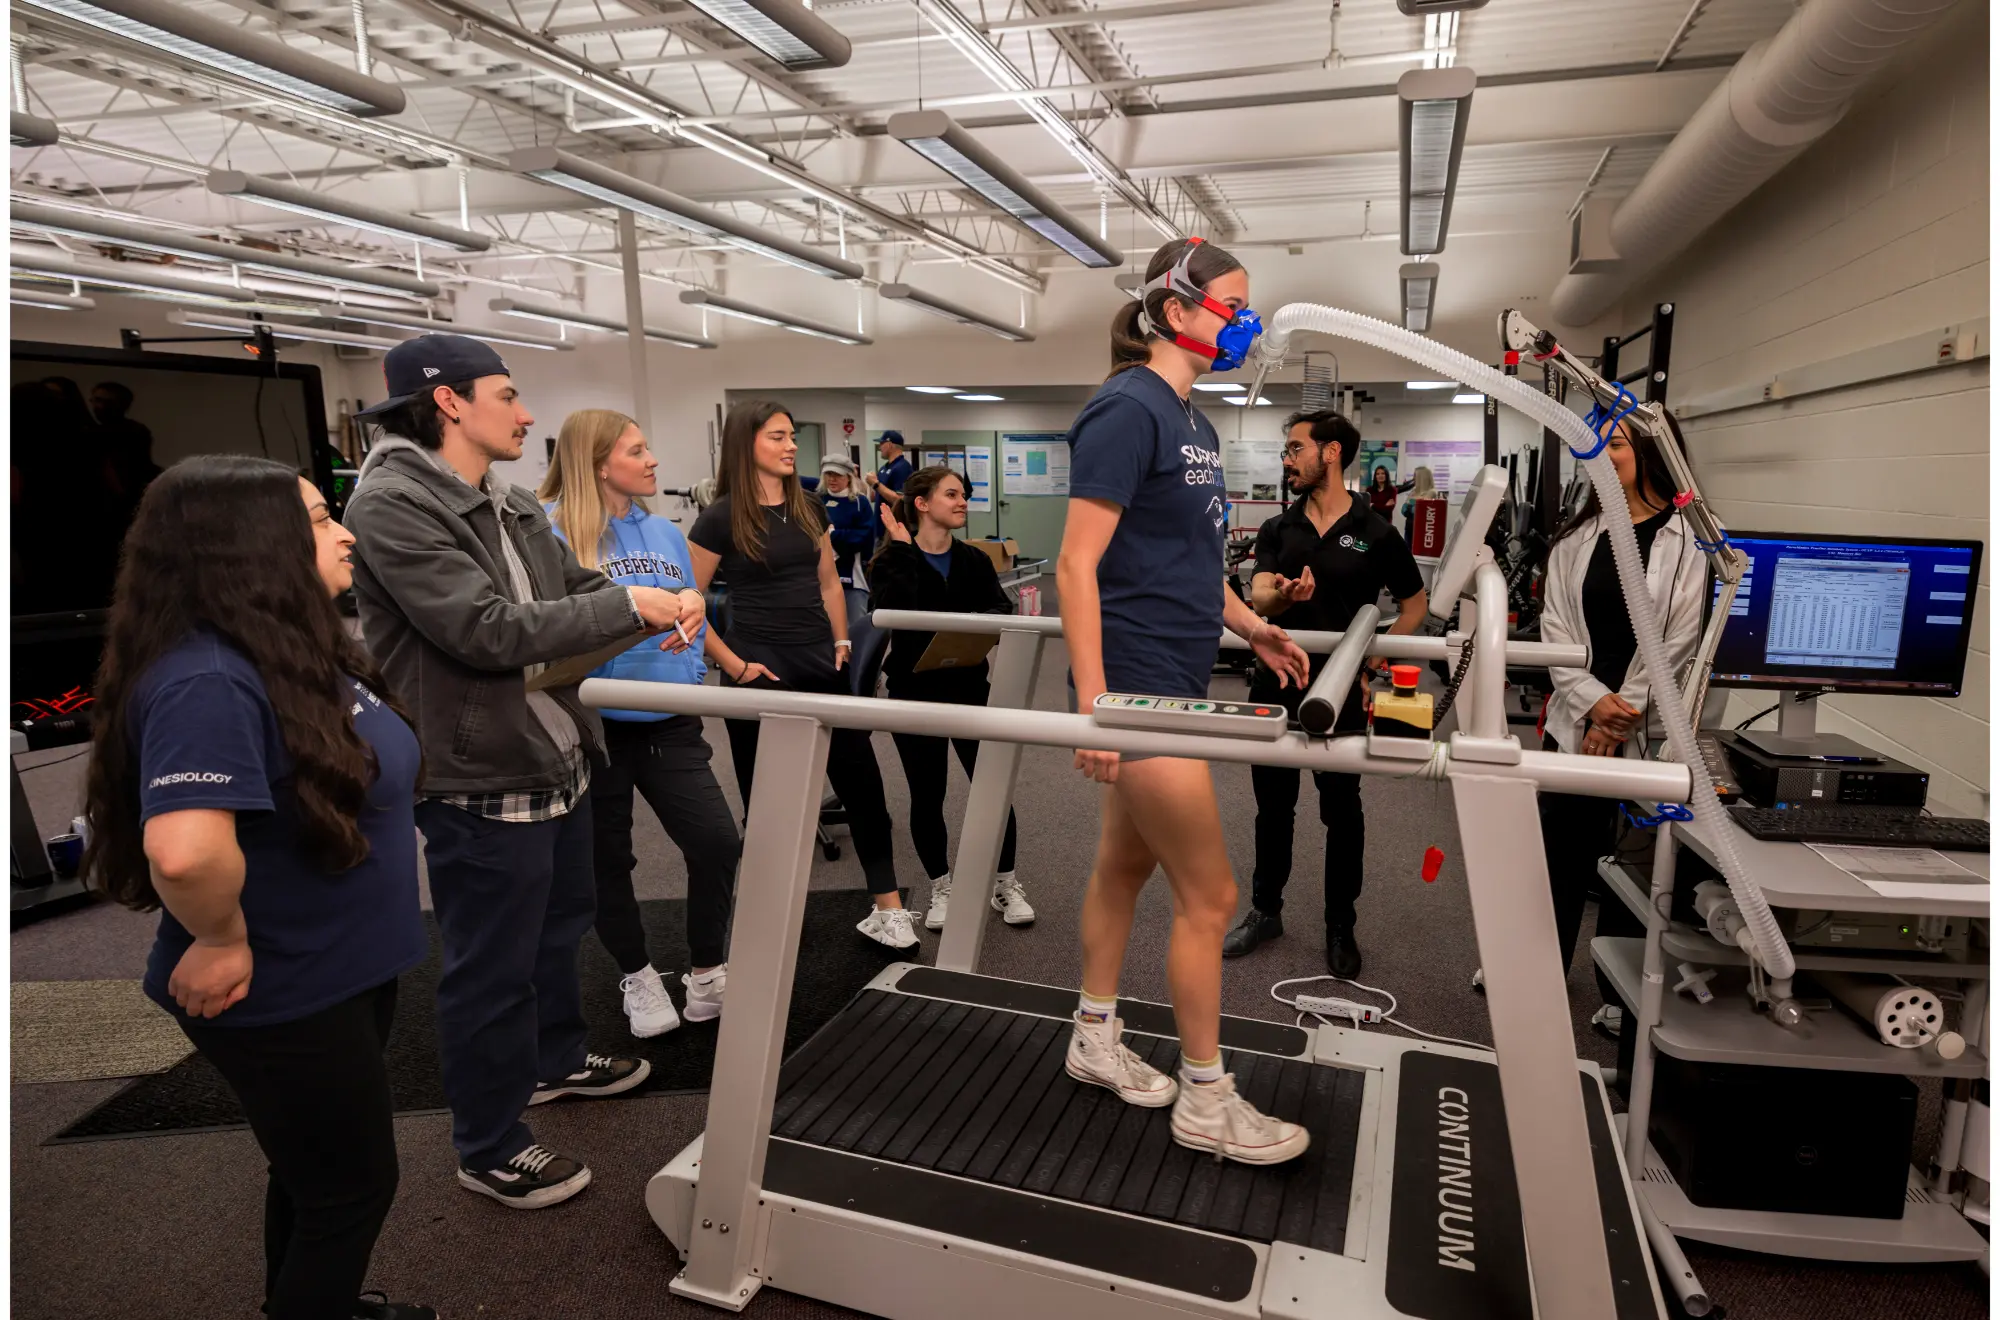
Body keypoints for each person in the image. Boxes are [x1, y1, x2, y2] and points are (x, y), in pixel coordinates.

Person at [81, 455, 433, 1320]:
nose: (345, 534)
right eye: (318, 519)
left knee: (314, 1175)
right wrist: (220, 938)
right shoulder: (207, 677)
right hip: (280, 985)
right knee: (351, 1190)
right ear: (248, 545)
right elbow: (183, 853)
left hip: (341, 966)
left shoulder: (283, 647)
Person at [346, 335, 691, 1211]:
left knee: (559, 927)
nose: (528, 414)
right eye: (507, 395)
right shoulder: (392, 504)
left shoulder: (504, 500)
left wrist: (653, 605)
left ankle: (555, 1060)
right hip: (478, 771)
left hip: (554, 748)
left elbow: (575, 587)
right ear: (449, 402)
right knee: (492, 967)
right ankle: (489, 1142)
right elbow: (484, 629)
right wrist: (630, 605)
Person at [1056, 235, 1313, 1165]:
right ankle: (1207, 1097)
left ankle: (1093, 1034)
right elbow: (1075, 564)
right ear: (1175, 311)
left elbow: (1192, 564)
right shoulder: (1127, 409)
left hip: (1176, 672)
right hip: (1135, 687)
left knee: (1124, 866)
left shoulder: (1192, 422)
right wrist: (1097, 705)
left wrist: (1252, 628)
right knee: (1212, 896)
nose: (1247, 323)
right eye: (1233, 307)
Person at [538, 408, 741, 1039]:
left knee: (716, 842)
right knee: (607, 858)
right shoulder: (550, 531)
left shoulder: (663, 531)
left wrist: (694, 621)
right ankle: (638, 973)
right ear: (598, 464)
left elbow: (689, 607)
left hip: (669, 718)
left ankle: (707, 970)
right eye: (636, 450)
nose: (652, 460)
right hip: (594, 723)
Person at [688, 401, 915, 949]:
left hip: (820, 661)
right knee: (767, 803)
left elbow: (830, 582)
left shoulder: (808, 505)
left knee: (863, 784)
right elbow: (687, 603)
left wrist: (842, 640)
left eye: (792, 435)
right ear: (746, 444)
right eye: (778, 436)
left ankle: (887, 908)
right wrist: (733, 665)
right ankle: (771, 914)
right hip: (756, 667)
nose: (791, 445)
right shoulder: (720, 517)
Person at [1222, 410, 1429, 978]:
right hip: (1274, 685)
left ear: (1330, 452)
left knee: (1341, 812)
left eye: (1295, 449)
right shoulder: (1278, 527)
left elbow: (1415, 606)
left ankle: (1341, 924)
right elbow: (1259, 598)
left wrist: (1373, 659)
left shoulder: (1375, 530)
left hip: (1340, 694)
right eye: (1286, 451)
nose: (1286, 460)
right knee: (1273, 808)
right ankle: (1266, 911)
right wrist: (1284, 596)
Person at [1538, 417, 1707, 1032]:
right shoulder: (1577, 537)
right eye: (1596, 446)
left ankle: (1619, 991)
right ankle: (1540, 969)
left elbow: (1680, 641)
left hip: (1641, 726)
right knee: (1561, 852)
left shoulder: (1690, 542)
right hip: (1577, 717)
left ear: (1652, 451)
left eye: (1615, 445)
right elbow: (1554, 625)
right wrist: (1590, 702)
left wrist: (1618, 716)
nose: (1602, 456)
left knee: (1631, 864)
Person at [869, 467, 1031, 931]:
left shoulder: (973, 558)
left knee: (992, 787)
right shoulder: (892, 559)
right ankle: (941, 886)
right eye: (953, 494)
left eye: (965, 495)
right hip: (914, 691)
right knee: (927, 793)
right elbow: (889, 611)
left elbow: (1000, 606)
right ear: (921, 504)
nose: (963, 502)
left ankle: (1005, 883)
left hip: (968, 688)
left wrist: (969, 626)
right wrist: (903, 549)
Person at [817, 454, 875, 584]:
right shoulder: (818, 499)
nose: (832, 479)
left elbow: (863, 537)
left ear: (849, 477)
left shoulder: (860, 502)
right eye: (829, 474)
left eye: (838, 475)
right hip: (820, 573)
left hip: (851, 575)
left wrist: (832, 534)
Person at [863, 430, 912, 505]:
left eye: (882, 444)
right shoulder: (883, 468)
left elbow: (900, 500)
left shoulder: (903, 467)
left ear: (889, 445)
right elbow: (874, 497)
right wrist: (870, 483)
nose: (880, 447)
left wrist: (876, 484)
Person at [1399, 465, 1438, 542]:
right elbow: (1403, 510)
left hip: (1422, 529)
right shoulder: (1414, 492)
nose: (1413, 478)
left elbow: (1421, 511)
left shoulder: (1431, 492)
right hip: (1409, 527)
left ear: (1422, 477)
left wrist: (1410, 507)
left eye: (1415, 475)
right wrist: (1412, 507)